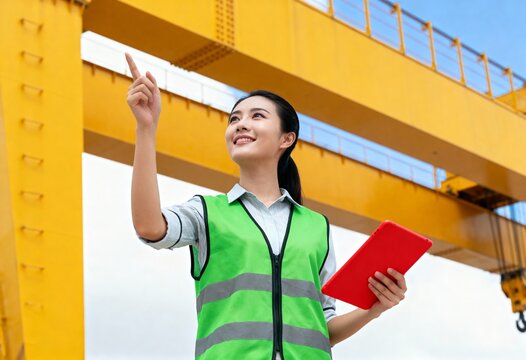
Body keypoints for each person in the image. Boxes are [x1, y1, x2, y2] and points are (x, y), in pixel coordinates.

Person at [127, 52, 408, 359]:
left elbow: (323, 327)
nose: (241, 124)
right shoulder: (207, 213)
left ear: (286, 139)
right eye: (234, 119)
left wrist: (374, 309)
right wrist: (146, 128)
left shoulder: (317, 227)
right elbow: (150, 226)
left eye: (256, 116)